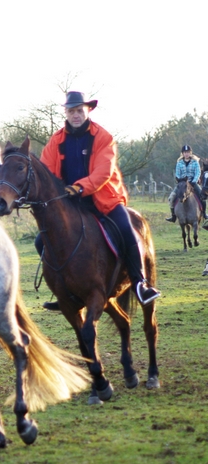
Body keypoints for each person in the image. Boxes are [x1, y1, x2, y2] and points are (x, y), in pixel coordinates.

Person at [37, 91, 160, 308]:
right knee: (41, 241)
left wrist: (79, 187)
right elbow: (46, 171)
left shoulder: (103, 138)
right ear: (66, 113)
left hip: (104, 199)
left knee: (126, 230)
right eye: (71, 111)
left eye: (79, 110)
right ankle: (65, 291)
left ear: (88, 110)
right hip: (70, 203)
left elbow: (104, 172)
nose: (76, 115)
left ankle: (139, 283)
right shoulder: (56, 140)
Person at [165, 145, 204, 222]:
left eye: (188, 152)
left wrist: (194, 180)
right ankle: (173, 216)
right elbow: (177, 173)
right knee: (171, 197)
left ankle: (204, 213)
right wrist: (180, 180)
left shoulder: (195, 162)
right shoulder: (179, 163)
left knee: (202, 196)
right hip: (182, 183)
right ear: (182, 153)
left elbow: (198, 172)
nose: (186, 154)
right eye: (185, 152)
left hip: (193, 182)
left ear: (190, 153)